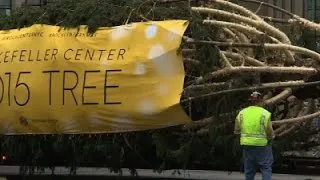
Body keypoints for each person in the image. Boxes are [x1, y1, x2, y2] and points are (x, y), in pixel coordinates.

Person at [234, 91, 275, 180]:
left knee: (249, 170)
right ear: (260, 101)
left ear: (250, 101)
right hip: (262, 145)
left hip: (247, 145)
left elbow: (237, 130)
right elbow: (269, 132)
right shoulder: (265, 113)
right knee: (266, 168)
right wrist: (271, 138)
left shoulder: (242, 113)